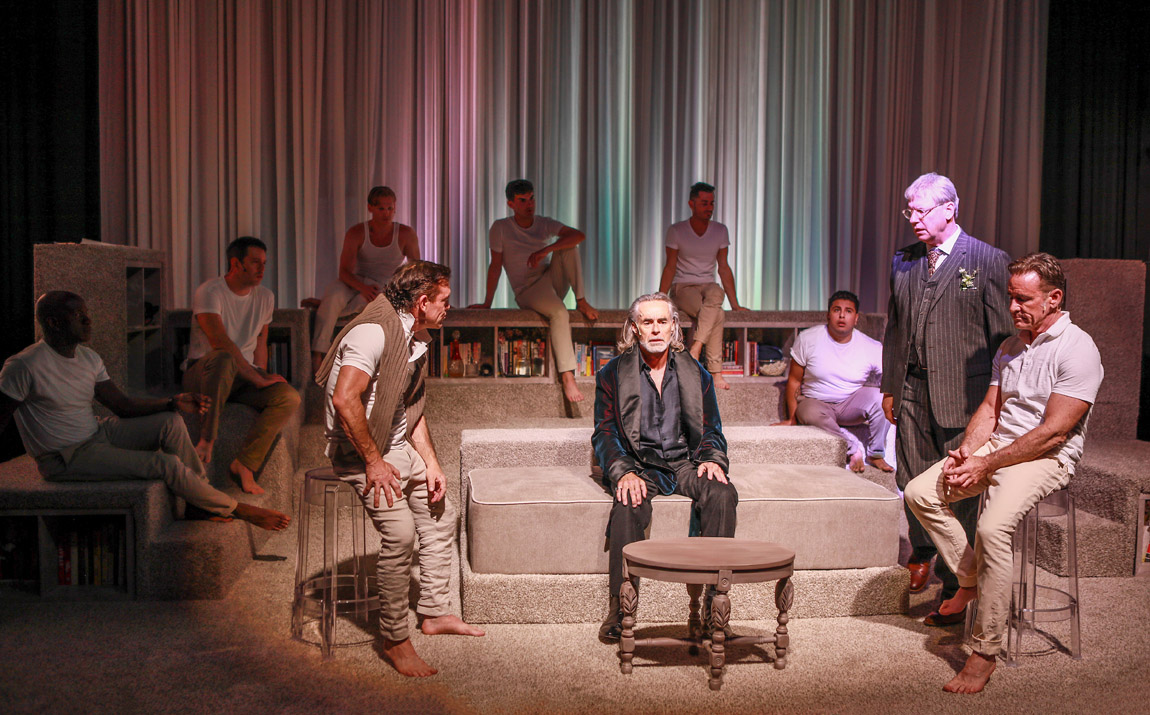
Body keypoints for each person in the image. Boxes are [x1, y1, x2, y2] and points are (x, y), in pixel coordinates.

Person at [905, 253, 1103, 693]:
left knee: (992, 528)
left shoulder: (1078, 348)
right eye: (1011, 297)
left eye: (1023, 299)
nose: (1012, 307)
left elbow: (1053, 433)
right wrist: (967, 451)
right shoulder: (1010, 347)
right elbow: (990, 410)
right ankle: (972, 580)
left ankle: (984, 652)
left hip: (1047, 457)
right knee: (920, 492)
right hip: (998, 448)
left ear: (1054, 298)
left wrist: (986, 463)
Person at [316, 260, 484, 678]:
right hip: (359, 450)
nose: (449, 308)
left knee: (441, 514)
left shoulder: (414, 336)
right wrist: (373, 462)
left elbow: (411, 406)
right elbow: (345, 400)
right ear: (423, 302)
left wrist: (431, 462)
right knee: (401, 534)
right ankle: (394, 639)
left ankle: (435, 612)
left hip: (395, 444)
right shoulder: (373, 332)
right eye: (444, 300)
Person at [0, 291, 290, 532]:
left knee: (170, 422)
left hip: (97, 432)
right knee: (165, 463)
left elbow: (122, 406)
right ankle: (236, 508)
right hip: (65, 456)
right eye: (78, 315)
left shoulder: (88, 358)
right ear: (53, 322)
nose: (88, 320)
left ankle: (198, 503)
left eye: (86, 312)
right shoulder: (24, 366)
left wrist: (172, 402)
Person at [881, 172, 1013, 619]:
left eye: (921, 211)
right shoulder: (904, 260)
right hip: (912, 390)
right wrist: (890, 386)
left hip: (966, 395)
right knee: (911, 479)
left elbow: (1002, 337)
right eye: (909, 211)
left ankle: (958, 583)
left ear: (949, 209)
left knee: (960, 487)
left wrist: (998, 400)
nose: (912, 218)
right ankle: (922, 551)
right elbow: (896, 327)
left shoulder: (987, 260)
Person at [592, 292, 738, 642]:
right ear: (634, 328)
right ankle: (621, 609)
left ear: (674, 327)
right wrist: (623, 471)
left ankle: (713, 607)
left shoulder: (696, 372)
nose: (656, 329)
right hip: (640, 464)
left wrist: (713, 459)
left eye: (663, 321)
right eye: (648, 322)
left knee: (723, 492)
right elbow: (605, 432)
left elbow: (711, 429)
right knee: (626, 502)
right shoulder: (612, 373)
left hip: (685, 461)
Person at [183, 236, 301, 495]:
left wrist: (261, 374)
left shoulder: (265, 297)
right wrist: (256, 378)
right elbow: (220, 342)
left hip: (242, 374)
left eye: (264, 263)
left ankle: (245, 464)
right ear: (236, 264)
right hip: (205, 372)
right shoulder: (210, 292)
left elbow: (261, 341)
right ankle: (207, 439)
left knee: (288, 397)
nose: (262, 268)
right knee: (224, 359)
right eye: (255, 262)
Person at [467, 179, 598, 404]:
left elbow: (578, 235)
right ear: (511, 204)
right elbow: (495, 265)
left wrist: (546, 250)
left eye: (531, 199)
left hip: (549, 279)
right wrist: (487, 302)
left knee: (569, 247)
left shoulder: (543, 223)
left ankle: (581, 300)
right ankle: (567, 375)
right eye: (522, 200)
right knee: (559, 313)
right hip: (527, 289)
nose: (529, 204)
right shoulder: (500, 228)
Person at [773, 290, 892, 472]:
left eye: (848, 311)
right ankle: (852, 449)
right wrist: (792, 418)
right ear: (828, 315)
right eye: (837, 310)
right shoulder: (808, 339)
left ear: (856, 318)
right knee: (808, 411)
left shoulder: (872, 346)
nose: (842, 315)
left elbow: (889, 380)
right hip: (816, 402)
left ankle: (875, 454)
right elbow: (794, 381)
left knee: (881, 397)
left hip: (851, 404)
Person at [309, 186, 421, 375]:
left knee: (369, 302)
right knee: (334, 294)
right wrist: (362, 287)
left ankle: (323, 305)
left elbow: (416, 268)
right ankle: (318, 352)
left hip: (384, 285)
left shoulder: (405, 233)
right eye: (381, 208)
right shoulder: (357, 232)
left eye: (390, 208)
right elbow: (344, 271)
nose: (386, 213)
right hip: (356, 281)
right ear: (370, 208)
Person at [659, 181, 748, 390]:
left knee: (716, 294)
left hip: (708, 286)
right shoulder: (677, 230)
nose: (709, 207)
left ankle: (696, 348)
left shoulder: (720, 231)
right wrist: (661, 298)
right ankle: (716, 373)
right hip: (683, 286)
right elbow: (670, 266)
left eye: (712, 203)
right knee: (717, 314)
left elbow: (723, 268)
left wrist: (735, 304)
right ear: (692, 204)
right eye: (704, 203)